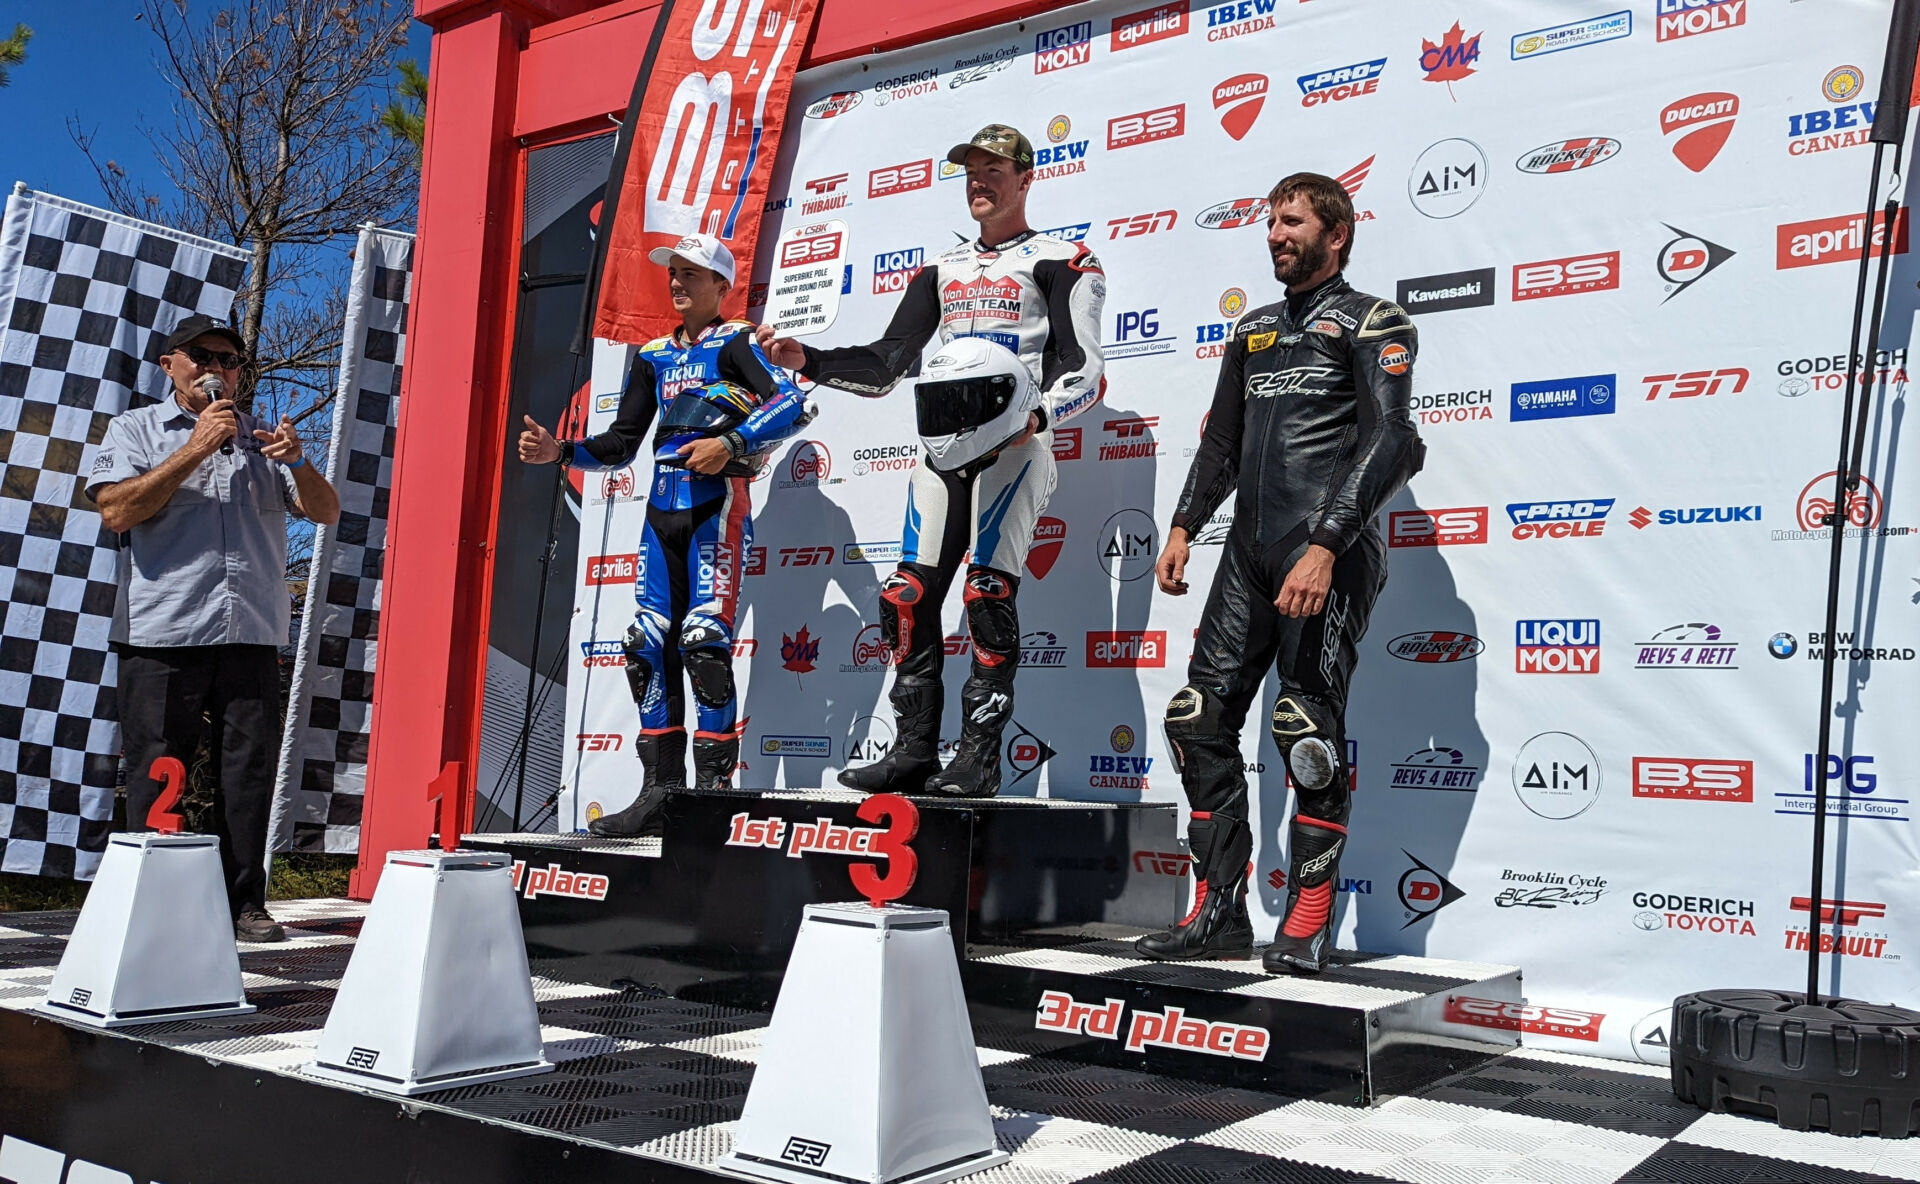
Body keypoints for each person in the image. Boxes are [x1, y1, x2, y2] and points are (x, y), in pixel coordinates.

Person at [757, 124, 1105, 797]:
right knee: (906, 598)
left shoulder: (1065, 260)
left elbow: (1085, 367)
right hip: (941, 449)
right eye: (971, 169)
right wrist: (815, 362)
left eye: (994, 168)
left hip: (1015, 447)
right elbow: (889, 364)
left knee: (987, 593)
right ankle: (914, 750)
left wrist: (1038, 418)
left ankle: (978, 757)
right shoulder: (939, 270)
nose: (980, 180)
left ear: (1027, 178)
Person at [1135, 173, 1424, 973]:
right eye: (1269, 223)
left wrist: (1327, 545)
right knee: (1196, 718)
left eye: (1290, 222)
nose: (1273, 234)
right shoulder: (1255, 330)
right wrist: (1185, 526)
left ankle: (1306, 918)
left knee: (1306, 732)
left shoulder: (1376, 321)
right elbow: (1221, 443)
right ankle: (1218, 913)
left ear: (1337, 234)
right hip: (1247, 556)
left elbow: (1394, 442)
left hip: (1327, 553)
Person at [519, 234, 809, 835]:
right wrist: (562, 450)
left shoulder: (735, 342)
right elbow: (622, 442)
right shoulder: (652, 355)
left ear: (721, 287)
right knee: (647, 642)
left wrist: (730, 443)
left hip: (716, 507)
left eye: (692, 274)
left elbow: (790, 403)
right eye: (673, 273)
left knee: (703, 641)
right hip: (659, 510)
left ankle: (711, 797)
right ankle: (660, 791)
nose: (678, 283)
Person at [87, 314, 342, 944]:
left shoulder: (261, 437)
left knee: (247, 773)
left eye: (229, 361)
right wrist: (195, 448)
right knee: (158, 768)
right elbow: (117, 511)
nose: (217, 369)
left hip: (251, 631)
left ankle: (245, 903)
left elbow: (327, 511)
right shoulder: (136, 429)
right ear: (170, 363)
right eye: (202, 356)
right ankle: (153, 904)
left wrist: (301, 463)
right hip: (163, 629)